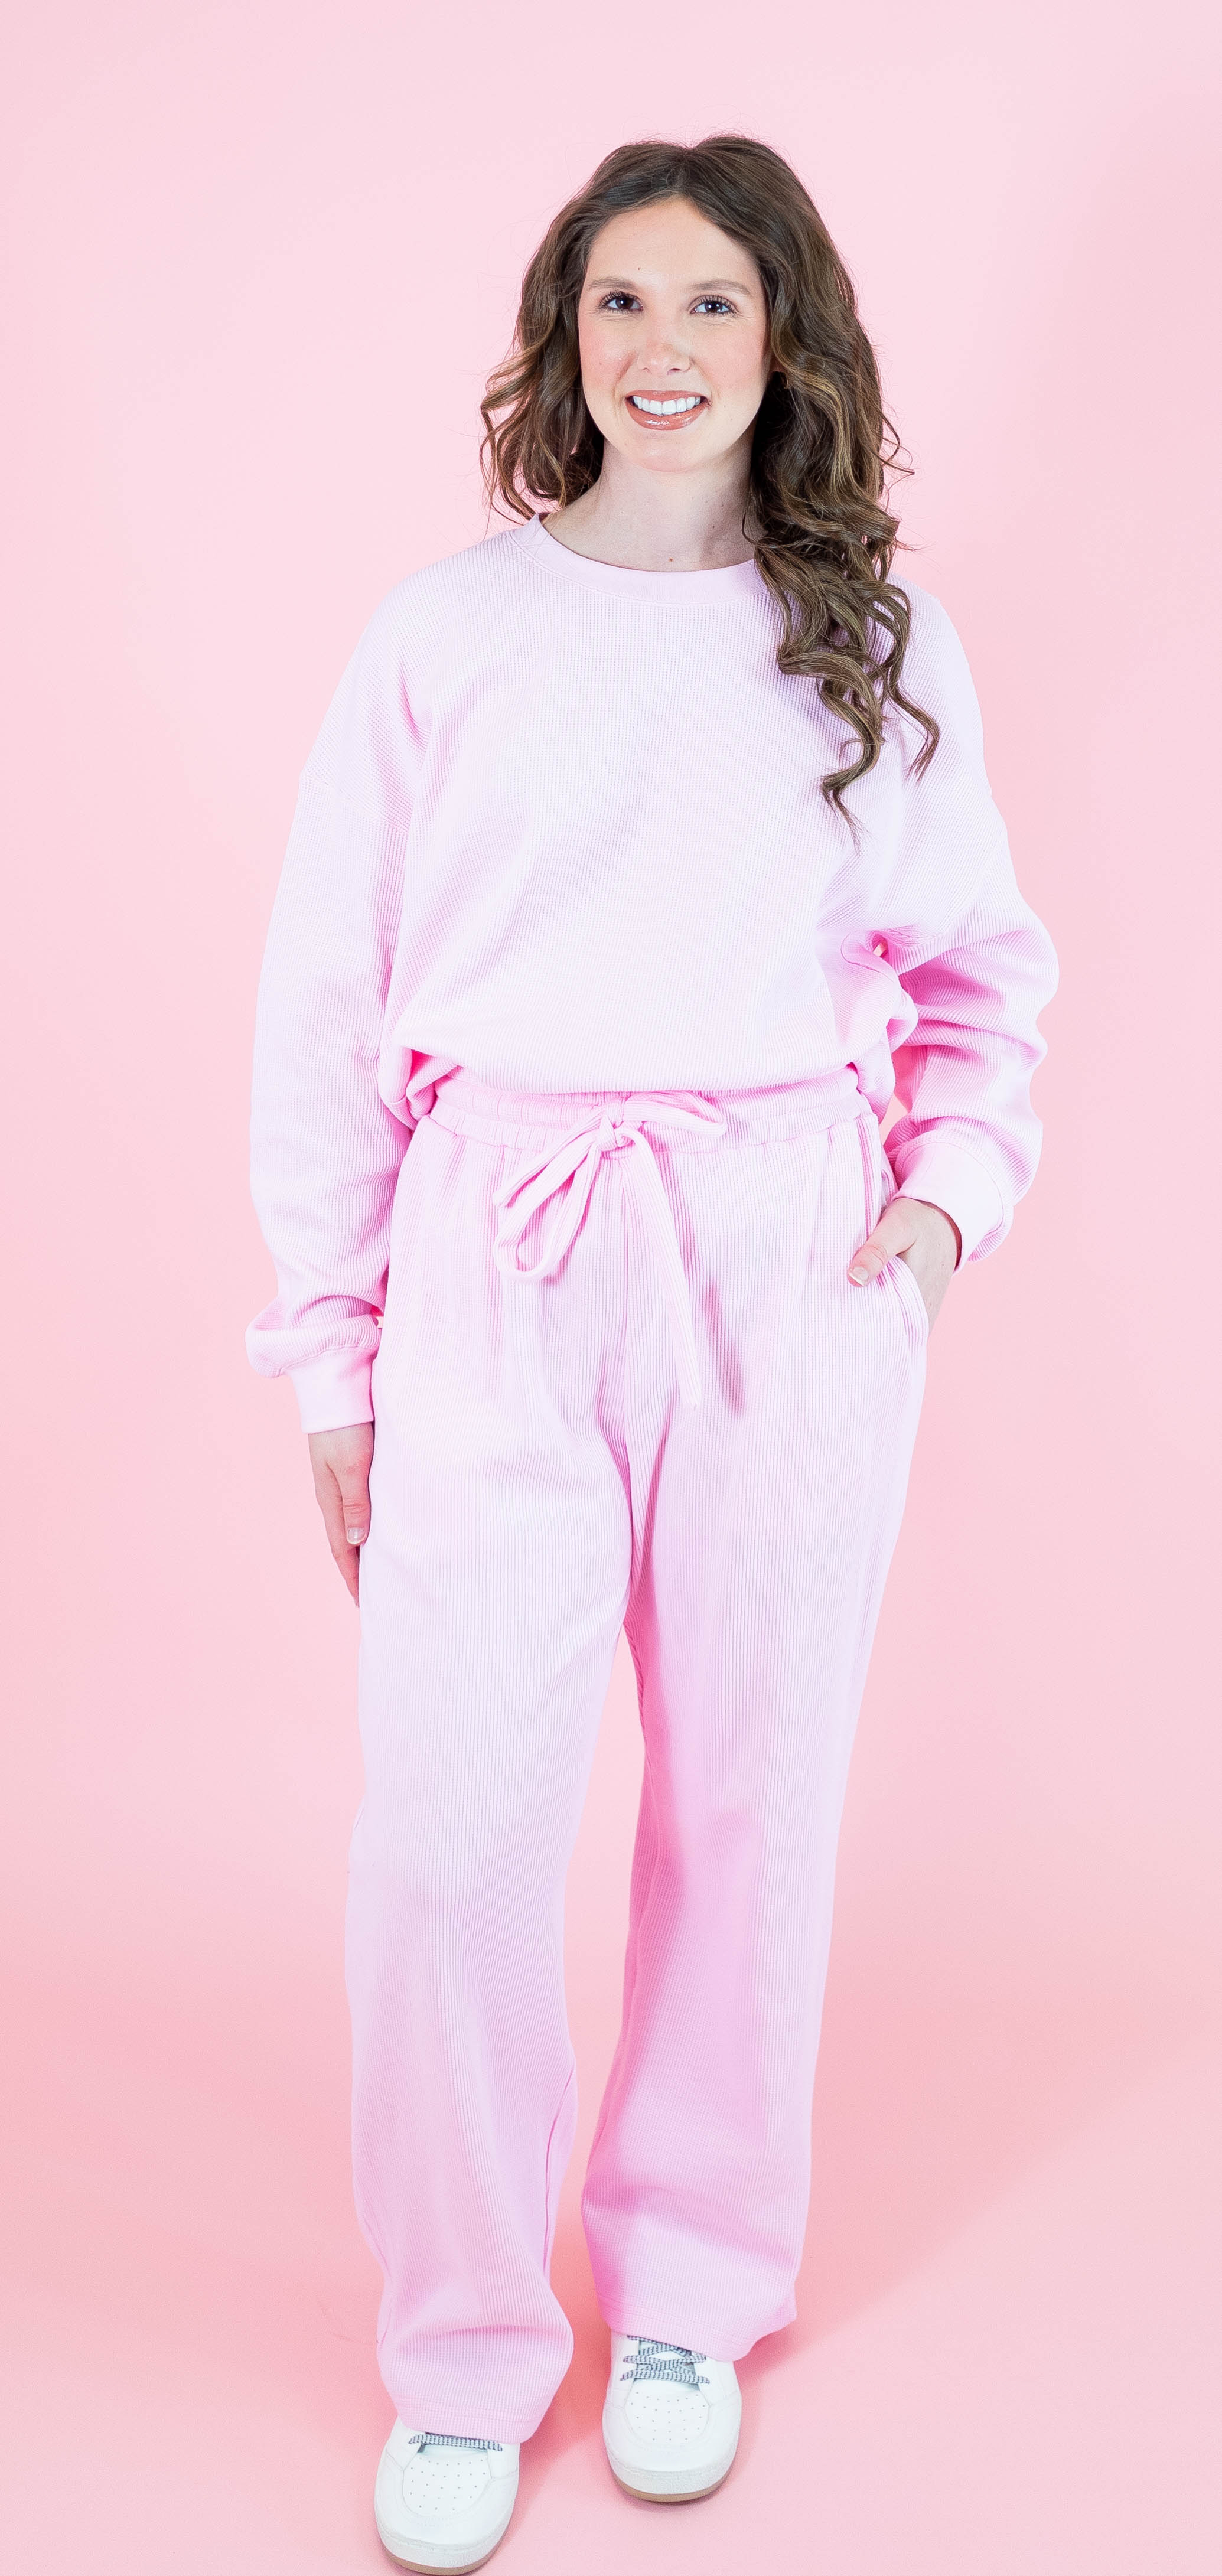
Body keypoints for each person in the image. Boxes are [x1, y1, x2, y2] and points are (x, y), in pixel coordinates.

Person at [246, 133, 1057, 2572]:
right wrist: (337, 1357)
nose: (665, 346)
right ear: (563, 336)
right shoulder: (443, 638)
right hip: (502, 1244)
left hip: (784, 1256)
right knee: (447, 1838)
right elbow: (323, 1014)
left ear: (784, 340)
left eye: (715, 300)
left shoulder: (871, 642)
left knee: (749, 1803)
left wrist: (929, 1224)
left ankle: (689, 2288)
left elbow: (981, 982)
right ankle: (463, 2340)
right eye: (623, 300)